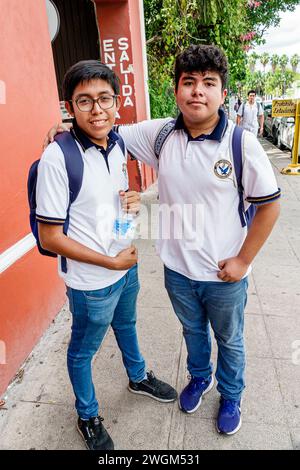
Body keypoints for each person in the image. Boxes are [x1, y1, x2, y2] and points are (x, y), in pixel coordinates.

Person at [45, 45, 280, 436]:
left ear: (223, 93)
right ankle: (200, 378)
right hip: (178, 272)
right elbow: (103, 127)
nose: (197, 92)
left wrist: (241, 261)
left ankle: (232, 393)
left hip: (225, 275)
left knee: (231, 339)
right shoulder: (162, 134)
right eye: (189, 83)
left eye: (209, 83)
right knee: (192, 333)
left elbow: (270, 208)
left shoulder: (241, 144)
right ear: (176, 91)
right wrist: (64, 129)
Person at [36, 60, 177, 451]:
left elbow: (106, 199)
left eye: (104, 99)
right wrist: (110, 262)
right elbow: (50, 237)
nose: (96, 110)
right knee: (83, 351)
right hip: (92, 282)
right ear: (69, 106)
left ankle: (137, 376)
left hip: (125, 265)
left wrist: (130, 201)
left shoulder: (117, 143)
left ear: (117, 103)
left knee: (128, 326)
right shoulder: (57, 157)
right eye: (84, 101)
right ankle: (87, 415)